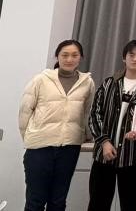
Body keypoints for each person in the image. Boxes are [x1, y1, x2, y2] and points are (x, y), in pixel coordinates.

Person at [19, 39, 96, 211]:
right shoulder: (41, 80)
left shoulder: (87, 83)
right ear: (57, 56)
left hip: (69, 148)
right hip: (39, 147)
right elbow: (25, 112)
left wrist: (85, 135)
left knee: (58, 201)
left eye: (74, 55)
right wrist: (31, 137)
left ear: (81, 58)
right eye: (65, 55)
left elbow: (86, 112)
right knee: (35, 200)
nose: (69, 59)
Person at [88, 39, 136, 211]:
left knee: (130, 205)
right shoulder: (109, 83)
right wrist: (104, 142)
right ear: (124, 58)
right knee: (98, 204)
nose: (135, 59)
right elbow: (95, 114)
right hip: (104, 155)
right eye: (131, 55)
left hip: (132, 156)